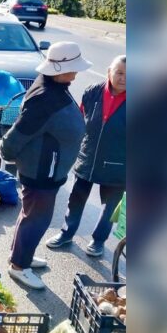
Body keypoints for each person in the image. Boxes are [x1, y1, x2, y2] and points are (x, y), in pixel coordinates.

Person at [0, 41, 91, 289]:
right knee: (37, 219)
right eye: (73, 69)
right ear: (59, 68)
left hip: (46, 168)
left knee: (30, 215)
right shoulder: (45, 97)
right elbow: (20, 132)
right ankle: (19, 266)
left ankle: (20, 256)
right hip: (41, 171)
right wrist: (6, 151)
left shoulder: (55, 85)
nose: (76, 73)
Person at [47, 55, 126, 257]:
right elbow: (80, 119)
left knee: (110, 209)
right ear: (109, 71)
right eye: (119, 73)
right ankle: (66, 234)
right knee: (76, 199)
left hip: (118, 163)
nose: (124, 78)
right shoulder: (93, 92)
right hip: (88, 157)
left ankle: (99, 241)